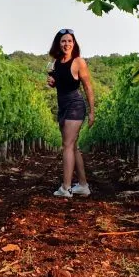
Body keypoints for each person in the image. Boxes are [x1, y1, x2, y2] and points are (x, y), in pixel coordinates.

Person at [46, 28, 95, 197]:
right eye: (63, 41)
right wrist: (52, 83)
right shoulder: (56, 63)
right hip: (62, 106)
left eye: (69, 41)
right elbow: (59, 84)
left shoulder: (79, 62)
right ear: (58, 43)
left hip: (75, 104)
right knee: (73, 146)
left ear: (74, 43)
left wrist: (92, 111)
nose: (66, 44)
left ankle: (66, 188)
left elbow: (88, 87)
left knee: (67, 145)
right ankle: (83, 185)